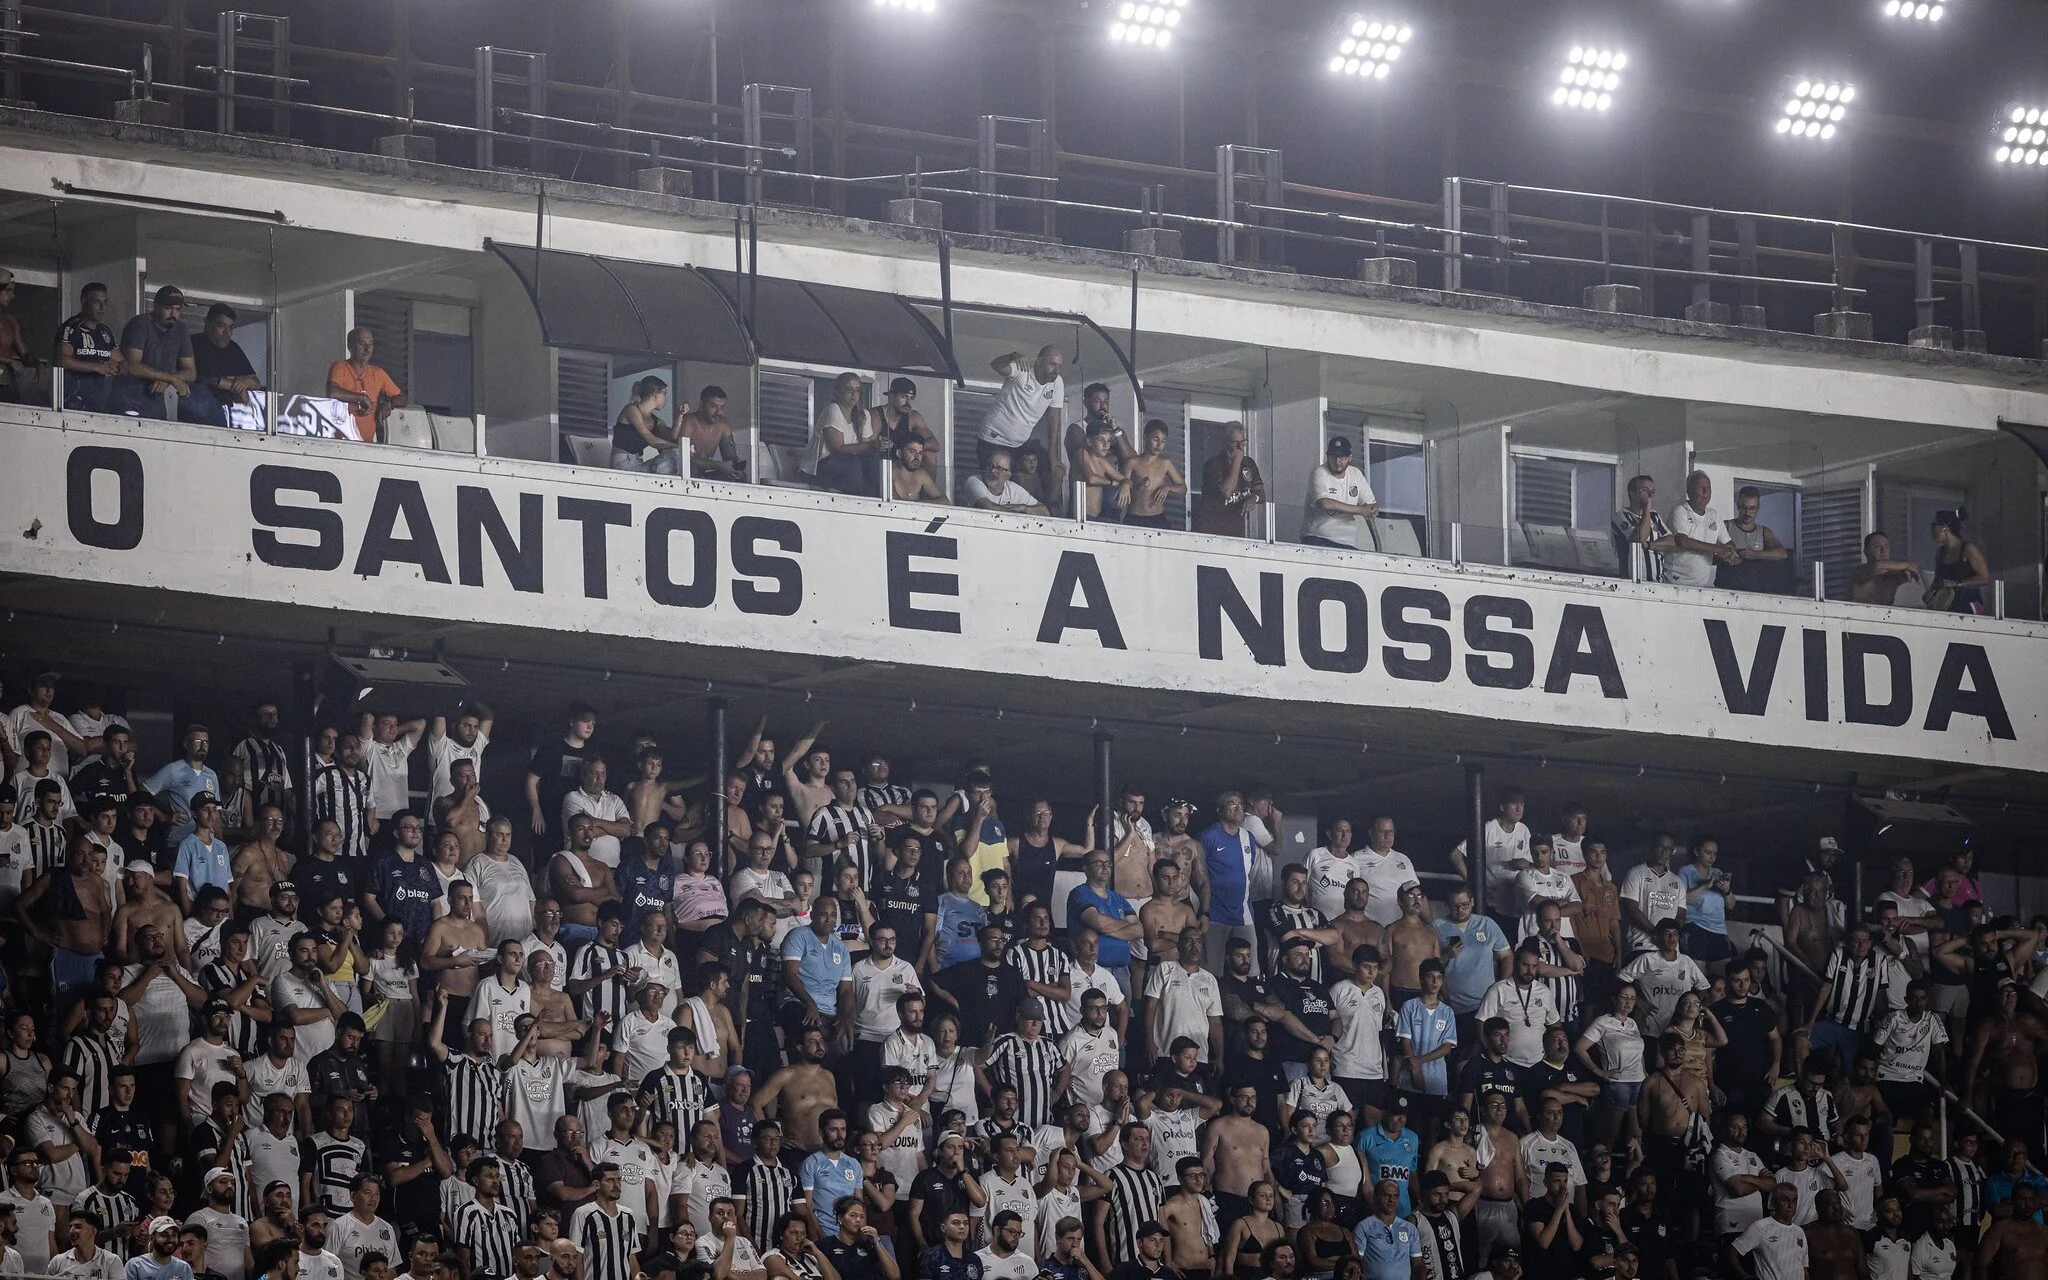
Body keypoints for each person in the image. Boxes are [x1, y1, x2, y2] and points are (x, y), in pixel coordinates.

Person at [977, 347, 1065, 482]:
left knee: (1040, 476)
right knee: (994, 483)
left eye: (1059, 366)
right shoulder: (1022, 371)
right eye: (1052, 364)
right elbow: (996, 365)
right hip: (993, 439)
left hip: (1019, 444)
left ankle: (1050, 503)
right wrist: (1012, 356)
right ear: (1039, 362)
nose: (1056, 370)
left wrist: (1053, 456)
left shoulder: (1058, 382)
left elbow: (1054, 419)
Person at [324, 328, 405, 444]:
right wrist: (362, 397)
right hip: (339, 444)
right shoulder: (340, 367)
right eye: (362, 344)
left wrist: (389, 403)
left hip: (366, 446)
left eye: (370, 344)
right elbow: (332, 392)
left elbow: (403, 398)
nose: (367, 349)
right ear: (350, 346)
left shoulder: (378, 373)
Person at [1300, 436, 1378, 550]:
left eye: (1342, 457)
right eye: (1333, 457)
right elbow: (1325, 503)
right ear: (1328, 456)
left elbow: (1371, 505)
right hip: (1317, 538)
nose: (1337, 461)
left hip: (1347, 542)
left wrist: (1373, 510)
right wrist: (1361, 510)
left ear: (1350, 458)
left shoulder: (1356, 474)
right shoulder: (1319, 472)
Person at [57, 281, 123, 413]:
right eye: (97, 301)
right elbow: (62, 360)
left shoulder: (105, 331)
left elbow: (120, 361)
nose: (102, 306)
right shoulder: (71, 327)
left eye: (105, 302)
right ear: (84, 302)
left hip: (100, 399)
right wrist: (96, 367)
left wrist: (114, 368)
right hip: (74, 399)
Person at [1191, 427, 1266, 538]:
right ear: (1225, 443)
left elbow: (1261, 493)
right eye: (1235, 443)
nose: (1240, 447)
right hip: (1211, 530)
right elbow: (1227, 491)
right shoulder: (1213, 464)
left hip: (1235, 530)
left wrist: (1254, 497)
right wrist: (1236, 462)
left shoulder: (1249, 463)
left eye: (1243, 443)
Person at [1718, 486, 1790, 592]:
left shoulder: (1764, 532)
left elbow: (1782, 553)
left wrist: (1755, 554)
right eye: (1744, 507)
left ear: (1757, 509)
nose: (1748, 512)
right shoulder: (1725, 526)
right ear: (1738, 506)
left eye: (1752, 508)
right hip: (1727, 588)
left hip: (1755, 589)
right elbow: (1711, 549)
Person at [190, 305, 263, 410]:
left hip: (225, 412)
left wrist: (245, 382)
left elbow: (256, 383)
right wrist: (232, 385)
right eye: (221, 326)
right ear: (207, 322)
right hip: (194, 410)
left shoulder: (233, 348)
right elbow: (197, 378)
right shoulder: (193, 343)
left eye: (231, 327)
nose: (227, 332)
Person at [1123, 421, 1187, 529]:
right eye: (1155, 439)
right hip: (1135, 517)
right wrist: (1136, 486)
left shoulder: (1165, 463)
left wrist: (1168, 488)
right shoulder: (1132, 462)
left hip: (1157, 518)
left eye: (1163, 441)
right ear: (1145, 437)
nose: (1159, 445)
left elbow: (1183, 488)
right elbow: (1122, 487)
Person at [1924, 510, 1990, 614]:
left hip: (1969, 603)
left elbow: (1985, 578)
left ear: (1944, 528)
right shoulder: (1940, 553)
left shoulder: (1968, 549)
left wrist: (1956, 584)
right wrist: (1930, 594)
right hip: (1947, 605)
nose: (1931, 530)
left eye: (1934, 525)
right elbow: (1938, 581)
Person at [677, 386, 747, 480]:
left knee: (740, 477)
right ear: (702, 405)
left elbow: (730, 458)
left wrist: (735, 470)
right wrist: (719, 465)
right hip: (684, 476)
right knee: (692, 470)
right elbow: (686, 459)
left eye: (722, 407)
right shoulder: (688, 421)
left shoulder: (724, 425)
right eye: (713, 406)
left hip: (704, 476)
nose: (719, 412)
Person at [611, 376, 678, 474]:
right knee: (673, 457)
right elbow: (653, 441)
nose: (665, 398)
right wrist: (678, 447)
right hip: (622, 465)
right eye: (664, 394)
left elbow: (672, 436)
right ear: (655, 394)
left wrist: (680, 416)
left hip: (638, 462)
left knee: (675, 456)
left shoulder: (655, 420)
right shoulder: (632, 410)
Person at [1851, 532, 1923, 607]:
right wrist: (1907, 565)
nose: (1883, 550)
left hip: (1884, 616)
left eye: (1886, 546)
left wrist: (1908, 569)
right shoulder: (1860, 571)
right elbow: (1877, 567)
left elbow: (1915, 570)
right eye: (1877, 547)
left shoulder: (1892, 575)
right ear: (1866, 551)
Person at [964, 452, 1049, 514]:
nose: (993, 471)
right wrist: (1017, 511)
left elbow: (1044, 511)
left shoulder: (1013, 488)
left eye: (999, 469)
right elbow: (989, 508)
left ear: (1008, 475)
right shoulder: (974, 481)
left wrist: (1024, 508)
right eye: (990, 465)